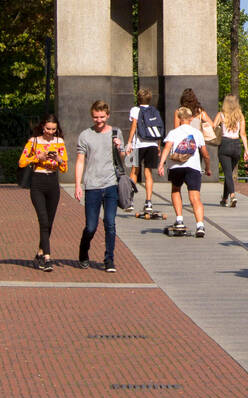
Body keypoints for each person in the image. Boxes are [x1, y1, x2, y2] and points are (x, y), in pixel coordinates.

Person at [75, 100, 126, 272]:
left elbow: (123, 157)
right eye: (96, 117)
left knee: (110, 223)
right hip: (92, 185)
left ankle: (109, 259)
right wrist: (78, 185)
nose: (99, 120)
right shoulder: (85, 135)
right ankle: (83, 251)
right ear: (92, 116)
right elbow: (81, 160)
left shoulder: (116, 133)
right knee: (91, 226)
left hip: (111, 184)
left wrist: (120, 148)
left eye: (102, 117)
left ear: (108, 115)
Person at [19, 115, 68, 272]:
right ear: (42, 127)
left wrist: (59, 159)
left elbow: (64, 166)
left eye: (53, 129)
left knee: (49, 221)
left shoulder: (59, 142)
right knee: (43, 220)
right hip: (38, 182)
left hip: (53, 182)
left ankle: (39, 253)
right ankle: (47, 257)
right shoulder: (33, 141)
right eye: (48, 129)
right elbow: (21, 162)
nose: (50, 132)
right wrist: (36, 157)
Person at [158, 105, 212, 236]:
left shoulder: (173, 132)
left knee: (176, 190)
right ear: (191, 118)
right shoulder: (197, 133)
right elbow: (205, 153)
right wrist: (208, 168)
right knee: (195, 197)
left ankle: (179, 219)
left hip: (176, 167)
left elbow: (166, 148)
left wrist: (161, 164)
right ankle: (200, 225)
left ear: (179, 118)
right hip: (193, 167)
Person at [125, 87, 164, 214]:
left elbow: (134, 126)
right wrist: (158, 145)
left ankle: (130, 200)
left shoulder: (135, 110)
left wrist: (129, 142)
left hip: (138, 144)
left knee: (134, 171)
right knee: (148, 173)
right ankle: (148, 202)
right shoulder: (154, 111)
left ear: (138, 98)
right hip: (152, 144)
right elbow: (157, 130)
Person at [213, 95, 248, 208]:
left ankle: (232, 195)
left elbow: (213, 126)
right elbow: (242, 134)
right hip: (236, 145)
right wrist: (246, 150)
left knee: (228, 173)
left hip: (225, 144)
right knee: (229, 173)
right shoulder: (240, 116)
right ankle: (224, 198)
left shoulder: (221, 114)